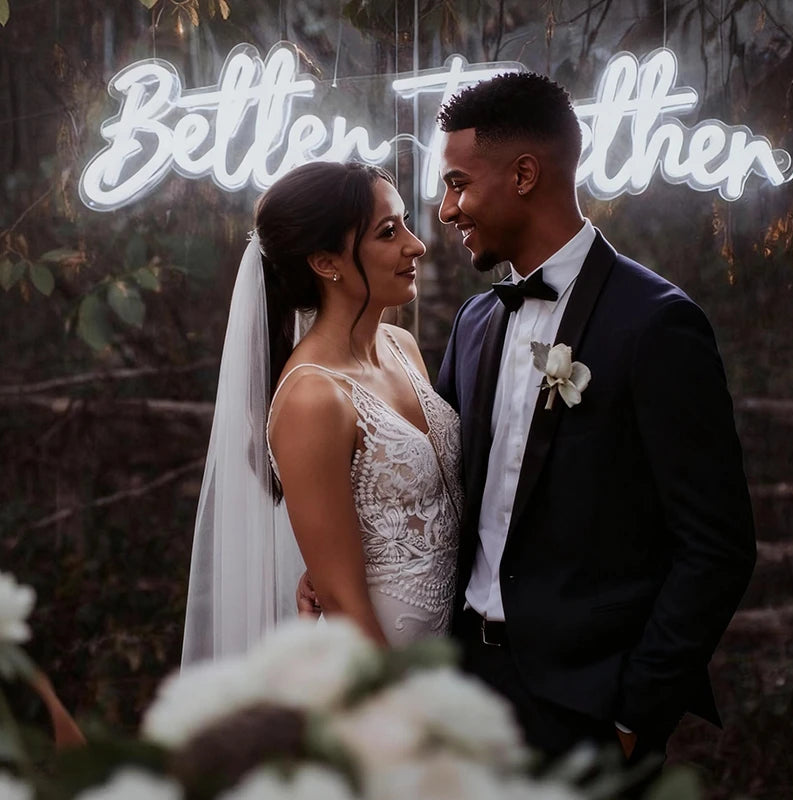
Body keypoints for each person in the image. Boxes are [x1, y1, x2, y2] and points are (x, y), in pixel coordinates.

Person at [299, 71, 756, 762]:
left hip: (587, 714)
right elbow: (438, 487)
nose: (446, 210)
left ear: (523, 174)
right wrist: (340, 557)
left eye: (457, 183)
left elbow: (717, 546)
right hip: (462, 689)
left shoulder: (657, 324)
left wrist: (635, 713)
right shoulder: (477, 322)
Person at [183, 161, 463, 662]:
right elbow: (340, 598)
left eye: (403, 223)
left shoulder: (401, 345)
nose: (415, 245)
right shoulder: (312, 397)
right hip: (386, 664)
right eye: (387, 232)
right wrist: (408, 713)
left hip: (458, 647)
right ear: (325, 262)